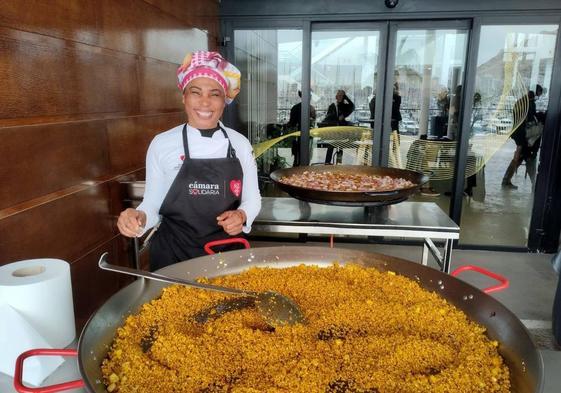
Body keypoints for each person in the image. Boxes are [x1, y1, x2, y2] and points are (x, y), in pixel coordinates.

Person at [117, 51, 262, 271]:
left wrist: (242, 216)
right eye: (196, 92)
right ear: (184, 97)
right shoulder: (162, 144)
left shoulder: (240, 144)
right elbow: (152, 204)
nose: (205, 102)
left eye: (215, 94)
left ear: (225, 101)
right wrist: (138, 217)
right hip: (173, 254)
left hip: (225, 255)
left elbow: (253, 199)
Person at [502, 85, 544, 189]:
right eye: (538, 94)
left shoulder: (521, 101)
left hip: (517, 131)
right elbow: (530, 117)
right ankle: (534, 185)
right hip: (523, 133)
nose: (537, 96)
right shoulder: (530, 103)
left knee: (520, 156)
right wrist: (540, 116)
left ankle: (506, 180)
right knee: (526, 157)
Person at [287, 90, 316, 166]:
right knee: (306, 155)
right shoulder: (311, 108)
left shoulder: (295, 108)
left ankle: (297, 167)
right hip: (307, 136)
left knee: (297, 156)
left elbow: (291, 123)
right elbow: (313, 122)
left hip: (297, 135)